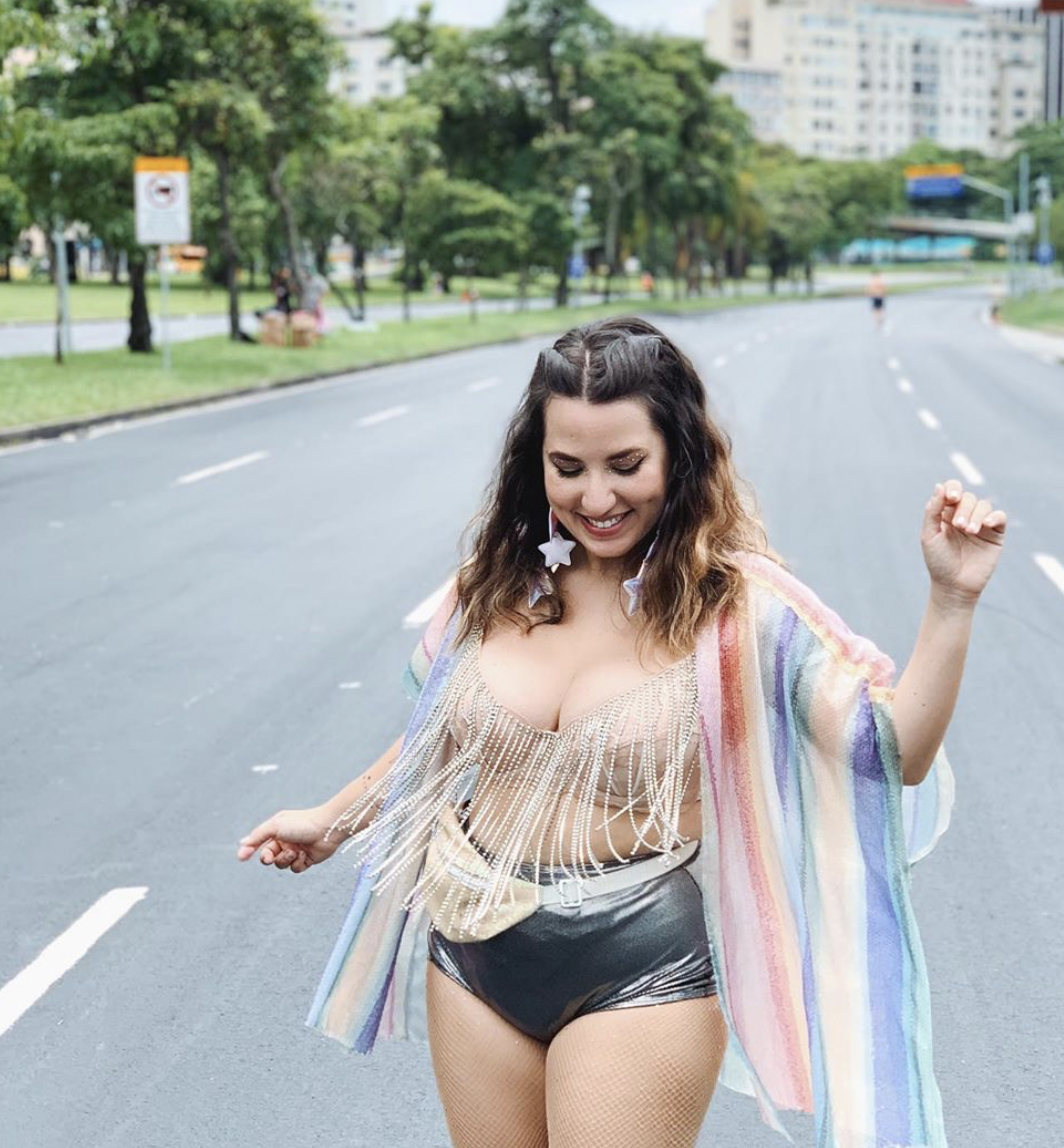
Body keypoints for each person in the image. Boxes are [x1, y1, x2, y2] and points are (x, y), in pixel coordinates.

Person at [237, 316, 1006, 1148]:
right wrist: (331, 819)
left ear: (679, 454)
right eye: (568, 468)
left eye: (626, 465)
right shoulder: (493, 583)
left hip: (639, 964)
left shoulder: (737, 606)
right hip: (471, 943)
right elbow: (442, 741)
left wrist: (952, 600)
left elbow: (896, 754)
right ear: (536, 461)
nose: (596, 499)